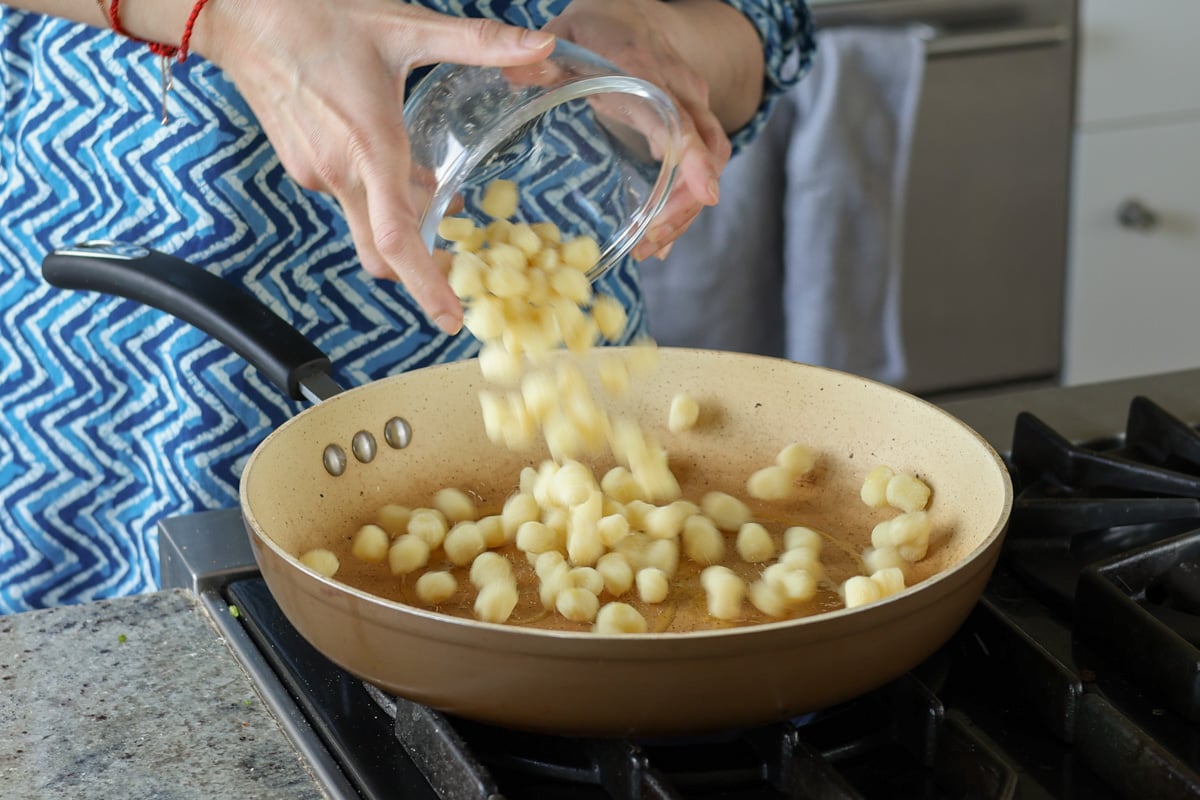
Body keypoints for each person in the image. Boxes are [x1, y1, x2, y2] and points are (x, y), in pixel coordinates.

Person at [0, 0, 814, 613]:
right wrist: (229, 17)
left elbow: (762, 24)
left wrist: (654, 30)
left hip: (539, 261)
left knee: (577, 568)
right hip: (152, 263)